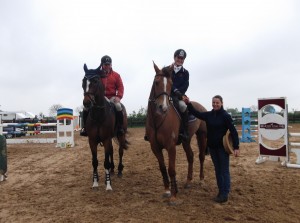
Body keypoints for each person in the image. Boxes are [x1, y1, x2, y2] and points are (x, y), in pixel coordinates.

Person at [183, 95, 240, 203]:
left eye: (217, 103)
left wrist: (236, 147)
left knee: (224, 171)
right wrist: (188, 103)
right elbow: (197, 114)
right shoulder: (209, 115)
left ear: (221, 103)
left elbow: (233, 131)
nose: (215, 104)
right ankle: (220, 191)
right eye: (213, 102)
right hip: (213, 148)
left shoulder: (226, 116)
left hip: (222, 148)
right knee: (218, 170)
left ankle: (225, 193)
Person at [144, 49, 190, 142]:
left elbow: (186, 85)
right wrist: (174, 90)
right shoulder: (167, 70)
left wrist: (179, 93)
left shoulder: (185, 72)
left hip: (179, 96)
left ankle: (183, 131)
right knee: (152, 105)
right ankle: (148, 131)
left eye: (182, 59)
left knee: (183, 106)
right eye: (178, 58)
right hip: (165, 94)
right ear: (175, 57)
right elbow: (165, 82)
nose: (180, 60)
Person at [80, 55, 125, 136]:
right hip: (100, 97)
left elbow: (120, 87)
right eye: (105, 64)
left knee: (118, 106)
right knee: (86, 107)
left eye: (108, 64)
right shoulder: (97, 74)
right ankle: (85, 128)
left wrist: (118, 96)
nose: (107, 66)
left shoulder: (116, 75)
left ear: (111, 65)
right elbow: (91, 83)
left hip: (112, 97)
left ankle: (120, 127)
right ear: (102, 65)